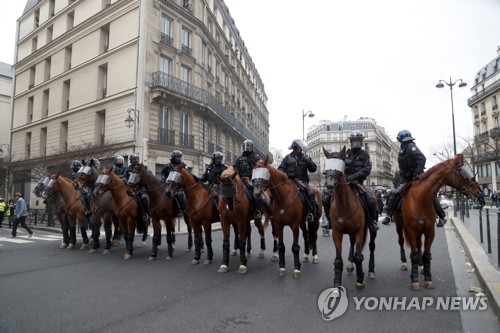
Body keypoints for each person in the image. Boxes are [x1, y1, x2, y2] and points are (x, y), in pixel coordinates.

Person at [382, 130, 447, 227]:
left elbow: (422, 158)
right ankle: (388, 215)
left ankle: (441, 216)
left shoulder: (411, 147)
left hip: (416, 177)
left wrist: (417, 173)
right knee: (394, 193)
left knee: (429, 193)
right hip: (405, 178)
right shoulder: (402, 149)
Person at [322, 131, 379, 231]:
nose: (356, 143)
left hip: (358, 183)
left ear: (361, 142)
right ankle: (329, 221)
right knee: (326, 199)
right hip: (344, 184)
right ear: (351, 142)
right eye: (354, 141)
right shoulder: (345, 154)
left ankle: (372, 221)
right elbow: (338, 165)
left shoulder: (365, 154)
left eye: (358, 141)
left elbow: (367, 169)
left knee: (371, 200)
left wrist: (352, 177)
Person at [278, 139, 318, 223]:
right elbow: (281, 168)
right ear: (295, 147)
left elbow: (313, 169)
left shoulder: (305, 157)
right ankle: (274, 212)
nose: (302, 149)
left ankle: (311, 213)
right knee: (277, 192)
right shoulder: (287, 157)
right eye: (300, 147)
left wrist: (308, 160)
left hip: (302, 181)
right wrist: (284, 176)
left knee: (311, 193)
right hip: (289, 181)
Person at [233, 139, 263, 218]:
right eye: (246, 146)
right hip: (241, 180)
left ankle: (258, 210)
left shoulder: (256, 157)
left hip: (252, 179)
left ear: (252, 147)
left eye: (249, 146)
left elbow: (259, 169)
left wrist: (252, 180)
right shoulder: (239, 158)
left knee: (256, 193)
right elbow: (235, 169)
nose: (247, 147)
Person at [123, 153, 150, 221]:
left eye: (137, 159)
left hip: (140, 187)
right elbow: (124, 176)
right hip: (130, 187)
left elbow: (147, 175)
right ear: (131, 160)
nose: (135, 160)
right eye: (134, 159)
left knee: (144, 197)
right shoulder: (128, 168)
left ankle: (146, 213)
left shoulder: (143, 167)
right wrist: (124, 179)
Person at [160, 150, 187, 216]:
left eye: (180, 157)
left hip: (179, 185)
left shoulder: (183, 165)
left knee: (180, 194)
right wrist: (163, 179)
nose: (179, 158)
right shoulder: (168, 166)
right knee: (164, 193)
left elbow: (187, 174)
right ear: (173, 157)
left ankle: (182, 209)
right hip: (169, 184)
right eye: (178, 157)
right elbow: (162, 173)